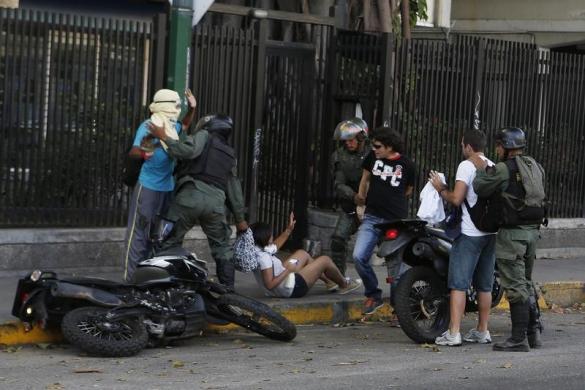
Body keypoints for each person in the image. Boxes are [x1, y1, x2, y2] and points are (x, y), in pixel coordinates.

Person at [147, 113, 248, 291]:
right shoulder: (230, 155)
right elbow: (234, 190)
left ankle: (164, 287)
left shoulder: (204, 135)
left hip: (190, 197)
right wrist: (240, 220)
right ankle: (229, 293)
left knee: (168, 241)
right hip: (215, 205)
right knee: (222, 248)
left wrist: (164, 137)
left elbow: (187, 151)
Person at [471, 127, 546, 352]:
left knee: (515, 286)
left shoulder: (504, 168)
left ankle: (518, 339)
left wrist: (482, 169)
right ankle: (533, 335)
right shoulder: (535, 166)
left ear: (505, 147)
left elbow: (480, 187)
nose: (496, 149)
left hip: (512, 236)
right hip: (532, 233)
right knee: (525, 282)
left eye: (498, 146)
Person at [429, 129, 497, 346]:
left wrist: (441, 188)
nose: (462, 149)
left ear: (468, 146)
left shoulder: (466, 165)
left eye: (462, 145)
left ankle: (454, 332)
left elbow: (457, 199)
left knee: (458, 283)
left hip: (469, 233)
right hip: (490, 233)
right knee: (484, 285)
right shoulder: (491, 165)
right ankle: (482, 330)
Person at [123, 88, 196, 282]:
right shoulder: (150, 125)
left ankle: (150, 278)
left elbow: (185, 126)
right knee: (138, 235)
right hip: (148, 187)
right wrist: (146, 152)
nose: (178, 108)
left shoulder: (171, 126)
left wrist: (192, 108)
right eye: (176, 104)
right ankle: (131, 281)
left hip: (167, 189)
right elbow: (133, 152)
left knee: (158, 235)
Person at [353, 127, 416, 315]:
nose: (375, 149)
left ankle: (400, 309)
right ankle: (374, 294)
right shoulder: (372, 158)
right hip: (372, 217)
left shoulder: (407, 165)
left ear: (390, 147)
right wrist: (361, 200)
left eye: (378, 146)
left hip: (395, 221)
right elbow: (364, 179)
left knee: (396, 269)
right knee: (358, 257)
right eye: (373, 146)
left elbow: (409, 190)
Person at [251, 213, 362, 298]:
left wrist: (288, 230)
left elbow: (275, 246)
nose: (272, 236)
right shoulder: (264, 258)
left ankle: (330, 282)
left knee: (302, 254)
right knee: (325, 260)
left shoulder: (258, 249)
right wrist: (288, 270)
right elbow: (270, 284)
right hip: (291, 288)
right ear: (264, 237)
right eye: (270, 234)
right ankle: (344, 284)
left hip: (284, 283)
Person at [329, 117, 370, 278]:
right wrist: (354, 197)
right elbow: (339, 184)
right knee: (338, 239)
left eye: (351, 139)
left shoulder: (373, 154)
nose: (348, 143)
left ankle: (398, 280)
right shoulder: (340, 156)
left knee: (387, 243)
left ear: (361, 138)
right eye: (346, 140)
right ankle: (339, 278)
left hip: (374, 206)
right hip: (351, 206)